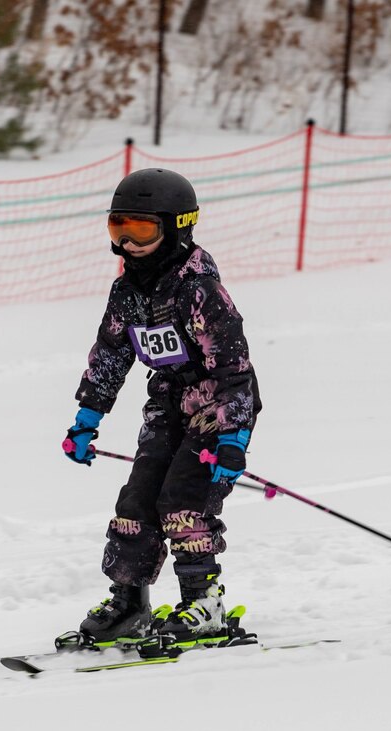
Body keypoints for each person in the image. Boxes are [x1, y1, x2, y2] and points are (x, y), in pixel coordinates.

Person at [62, 168, 261, 644]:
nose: (128, 243)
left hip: (217, 405)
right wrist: (87, 418)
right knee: (136, 500)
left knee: (182, 500)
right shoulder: (127, 291)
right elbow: (111, 354)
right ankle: (130, 602)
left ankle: (204, 602)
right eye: (118, 228)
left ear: (176, 228)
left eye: (142, 230)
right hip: (167, 401)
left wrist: (233, 437)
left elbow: (233, 368)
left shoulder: (198, 290)